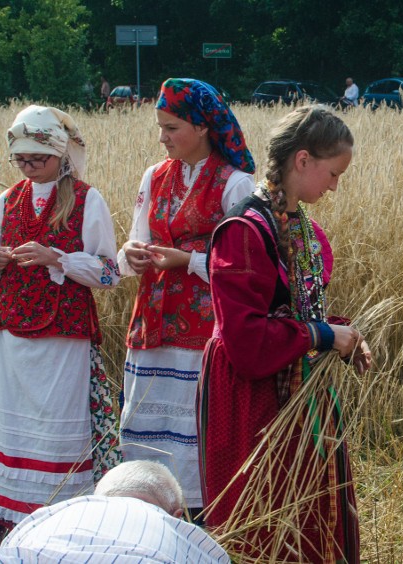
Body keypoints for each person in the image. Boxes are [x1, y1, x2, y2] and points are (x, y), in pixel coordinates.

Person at [198, 106, 370, 563]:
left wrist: (340, 335)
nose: (335, 185)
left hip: (301, 393)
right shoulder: (244, 232)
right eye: (333, 173)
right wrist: (321, 336)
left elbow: (302, 312)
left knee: (311, 511)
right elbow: (247, 341)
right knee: (263, 515)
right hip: (252, 397)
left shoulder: (305, 231)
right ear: (302, 161)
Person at [118, 78, 256, 514]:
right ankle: (144, 513)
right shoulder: (154, 176)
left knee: (192, 431)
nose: (162, 138)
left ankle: (197, 518)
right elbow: (135, 239)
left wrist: (187, 261)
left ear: (202, 127)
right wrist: (133, 254)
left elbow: (247, 270)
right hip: (151, 327)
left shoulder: (236, 184)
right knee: (147, 430)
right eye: (159, 127)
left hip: (201, 333)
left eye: (172, 127)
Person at [0, 105, 121, 527]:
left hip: (63, 337)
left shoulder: (85, 199)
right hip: (12, 337)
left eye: (36, 159)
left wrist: (55, 258)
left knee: (58, 419)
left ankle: (62, 514)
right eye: (20, 159)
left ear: (60, 155)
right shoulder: (8, 199)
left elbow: (109, 272)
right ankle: (8, 516)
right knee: (15, 421)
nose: (28, 167)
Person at [0, 460, 230, 562]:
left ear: (96, 498)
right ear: (177, 514)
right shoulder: (181, 531)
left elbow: (7, 549)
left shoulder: (53, 514)